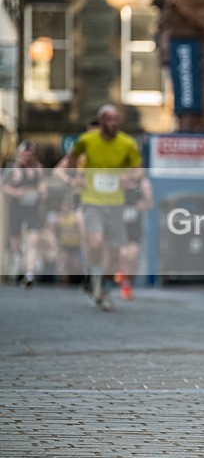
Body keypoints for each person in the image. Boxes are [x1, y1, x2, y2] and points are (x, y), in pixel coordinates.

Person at [54, 105, 142, 311]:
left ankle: (100, 281)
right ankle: (91, 276)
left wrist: (129, 177)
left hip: (115, 203)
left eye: (116, 120)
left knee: (113, 252)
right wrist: (73, 179)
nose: (112, 125)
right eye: (107, 121)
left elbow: (138, 170)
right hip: (89, 201)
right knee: (94, 242)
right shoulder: (86, 143)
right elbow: (64, 166)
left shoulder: (127, 143)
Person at [1, 140, 47, 288]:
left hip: (32, 209)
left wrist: (42, 191)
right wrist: (14, 192)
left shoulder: (37, 169)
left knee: (33, 240)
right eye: (25, 153)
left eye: (30, 153)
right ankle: (18, 260)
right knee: (16, 243)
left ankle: (29, 274)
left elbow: (42, 184)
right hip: (17, 209)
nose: (27, 156)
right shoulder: (12, 169)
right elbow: (2, 185)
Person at [117, 173, 153, 300]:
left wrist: (144, 203)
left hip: (134, 226)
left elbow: (150, 203)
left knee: (133, 256)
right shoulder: (119, 179)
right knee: (122, 254)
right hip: (120, 225)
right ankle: (122, 279)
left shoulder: (142, 183)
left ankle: (127, 282)